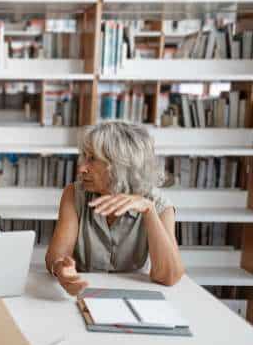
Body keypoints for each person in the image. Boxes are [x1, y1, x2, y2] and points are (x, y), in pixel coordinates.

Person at [45, 121, 184, 295]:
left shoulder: (159, 204)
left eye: (92, 159)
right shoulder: (74, 194)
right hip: (83, 294)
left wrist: (149, 211)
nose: (82, 168)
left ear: (120, 165)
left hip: (135, 298)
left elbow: (169, 277)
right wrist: (61, 270)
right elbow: (55, 257)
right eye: (84, 157)